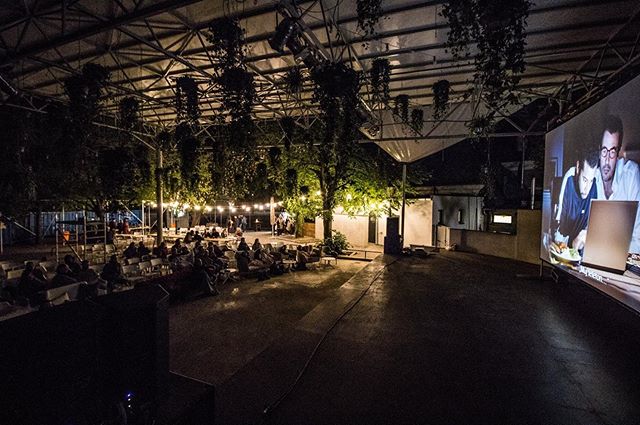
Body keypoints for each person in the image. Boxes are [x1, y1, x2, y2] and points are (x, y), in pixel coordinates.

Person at [594, 115, 640, 252]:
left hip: (624, 259)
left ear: (619, 152)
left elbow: (638, 238)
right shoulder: (591, 177)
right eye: (604, 151)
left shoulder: (631, 174)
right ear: (598, 150)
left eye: (612, 151)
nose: (607, 160)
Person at [555, 150, 599, 250]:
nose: (587, 189)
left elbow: (594, 225)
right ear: (578, 167)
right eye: (584, 180)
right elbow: (558, 229)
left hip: (583, 248)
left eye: (591, 181)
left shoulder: (595, 184)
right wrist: (568, 246)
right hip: (564, 244)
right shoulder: (569, 179)